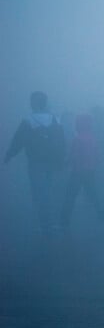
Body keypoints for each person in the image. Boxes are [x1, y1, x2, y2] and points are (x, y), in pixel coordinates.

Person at [4, 91, 65, 233]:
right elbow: (62, 142)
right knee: (48, 190)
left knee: (38, 191)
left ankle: (42, 222)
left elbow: (18, 141)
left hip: (35, 161)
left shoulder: (28, 121)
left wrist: (9, 155)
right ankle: (48, 221)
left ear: (34, 104)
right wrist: (61, 160)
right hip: (51, 161)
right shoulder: (55, 120)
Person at [60, 113, 104, 230]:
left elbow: (73, 156)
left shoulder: (77, 139)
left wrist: (65, 164)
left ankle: (64, 220)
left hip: (78, 172)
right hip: (90, 171)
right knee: (94, 195)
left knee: (70, 196)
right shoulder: (93, 138)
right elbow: (98, 156)